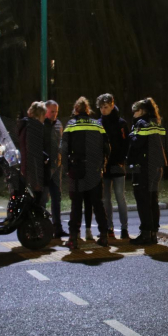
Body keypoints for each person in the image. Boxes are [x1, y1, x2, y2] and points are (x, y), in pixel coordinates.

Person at [60, 97, 110, 249]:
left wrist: (67, 168)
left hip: (77, 170)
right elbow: (107, 148)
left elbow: (63, 149)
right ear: (88, 110)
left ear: (75, 110)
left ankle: (73, 238)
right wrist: (102, 164)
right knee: (97, 204)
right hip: (94, 170)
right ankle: (103, 236)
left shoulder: (71, 125)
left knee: (76, 205)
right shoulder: (98, 125)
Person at [126, 98, 167, 245]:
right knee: (152, 201)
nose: (134, 114)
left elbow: (136, 144)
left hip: (143, 167)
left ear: (141, 111)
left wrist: (131, 135)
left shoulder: (141, 124)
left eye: (135, 111)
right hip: (157, 166)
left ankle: (145, 234)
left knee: (143, 201)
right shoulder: (155, 123)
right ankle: (153, 234)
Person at [97, 93, 130, 240]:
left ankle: (124, 228)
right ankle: (109, 227)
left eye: (105, 107)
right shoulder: (99, 123)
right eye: (101, 108)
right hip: (104, 165)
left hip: (117, 164)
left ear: (112, 105)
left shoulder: (121, 123)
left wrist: (121, 160)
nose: (103, 110)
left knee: (119, 197)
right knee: (106, 199)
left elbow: (125, 144)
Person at [42, 100, 66, 238]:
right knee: (44, 199)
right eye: (52, 111)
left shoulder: (58, 124)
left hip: (57, 167)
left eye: (56, 111)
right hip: (45, 167)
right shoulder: (40, 124)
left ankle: (57, 228)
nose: (54, 114)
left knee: (57, 198)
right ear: (45, 111)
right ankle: (44, 228)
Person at [15, 101, 47, 203]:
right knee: (36, 200)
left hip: (22, 168)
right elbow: (34, 152)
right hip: (33, 172)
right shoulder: (35, 127)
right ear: (40, 115)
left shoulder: (23, 126)